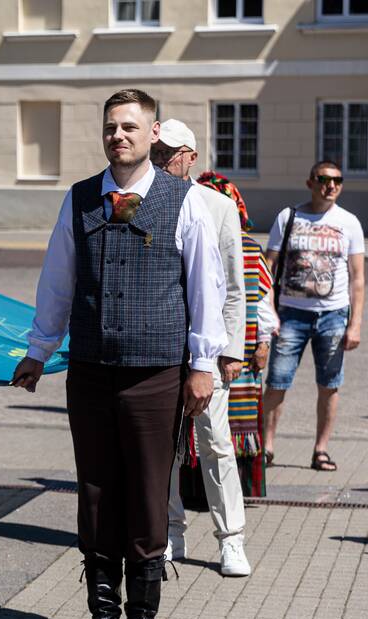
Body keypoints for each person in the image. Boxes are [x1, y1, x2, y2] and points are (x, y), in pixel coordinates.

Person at [11, 89, 226, 619]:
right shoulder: (81, 198)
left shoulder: (186, 200)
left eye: (130, 126)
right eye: (111, 127)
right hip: (90, 369)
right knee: (97, 490)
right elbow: (57, 280)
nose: (118, 136)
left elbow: (206, 286)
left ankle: (144, 615)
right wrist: (39, 350)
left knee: (150, 492)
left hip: (156, 372)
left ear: (153, 134)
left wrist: (202, 365)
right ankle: (101, 613)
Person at [150, 120, 251, 578]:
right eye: (158, 151)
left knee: (215, 442)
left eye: (171, 153)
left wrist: (231, 349)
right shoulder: (141, 200)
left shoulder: (217, 205)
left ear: (191, 156)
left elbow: (234, 284)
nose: (162, 160)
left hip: (207, 349)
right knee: (164, 446)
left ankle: (232, 539)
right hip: (159, 347)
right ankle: (171, 530)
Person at [262, 160, 364, 472]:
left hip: (333, 316)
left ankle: (321, 449)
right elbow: (267, 268)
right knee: (277, 382)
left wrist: (355, 324)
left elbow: (358, 278)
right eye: (323, 179)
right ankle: (265, 448)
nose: (330, 186)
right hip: (291, 314)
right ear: (310, 183)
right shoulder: (288, 216)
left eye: (336, 180)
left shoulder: (349, 223)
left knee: (329, 385)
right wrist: (268, 312)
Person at [194, 172, 278, 499]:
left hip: (237, 347)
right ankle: (196, 492)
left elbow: (262, 299)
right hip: (199, 346)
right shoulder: (191, 236)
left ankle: (235, 491)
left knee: (228, 425)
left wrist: (263, 341)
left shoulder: (247, 248)